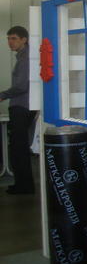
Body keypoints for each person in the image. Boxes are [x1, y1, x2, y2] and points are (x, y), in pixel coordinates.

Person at [1, 26, 37, 195]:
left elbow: (21, 86)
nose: (10, 42)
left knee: (18, 148)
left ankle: (24, 186)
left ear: (24, 39)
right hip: (23, 106)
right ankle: (23, 184)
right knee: (19, 147)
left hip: (21, 107)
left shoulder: (25, 58)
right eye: (8, 38)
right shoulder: (23, 56)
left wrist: (3, 95)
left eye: (14, 38)